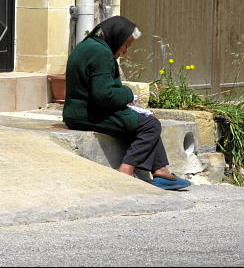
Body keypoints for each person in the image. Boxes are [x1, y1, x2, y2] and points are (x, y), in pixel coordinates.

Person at [62, 15, 191, 190]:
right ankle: (126, 170)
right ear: (117, 38)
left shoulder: (88, 46)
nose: (125, 51)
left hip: (80, 111)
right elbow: (103, 96)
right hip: (88, 114)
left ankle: (161, 170)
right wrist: (128, 94)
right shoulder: (101, 54)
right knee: (150, 125)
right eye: (126, 45)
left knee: (144, 119)